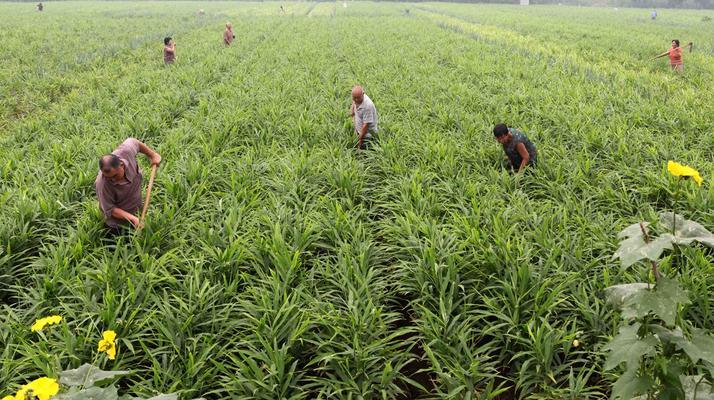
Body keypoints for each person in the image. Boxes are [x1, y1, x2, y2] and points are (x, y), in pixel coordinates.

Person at [95, 138, 161, 233]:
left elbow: (135, 142)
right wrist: (133, 219)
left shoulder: (126, 152)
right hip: (117, 223)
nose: (112, 179)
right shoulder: (102, 184)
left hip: (136, 210)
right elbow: (110, 209)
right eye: (109, 177)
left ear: (121, 164)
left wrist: (152, 155)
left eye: (115, 175)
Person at [349, 85, 378, 150]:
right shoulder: (357, 98)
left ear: (363, 94)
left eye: (358, 98)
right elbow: (354, 101)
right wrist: (352, 110)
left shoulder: (368, 106)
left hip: (367, 135)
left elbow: (366, 125)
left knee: (366, 150)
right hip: (359, 129)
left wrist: (359, 139)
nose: (356, 100)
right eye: (354, 98)